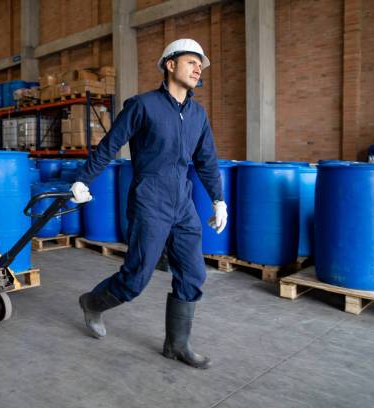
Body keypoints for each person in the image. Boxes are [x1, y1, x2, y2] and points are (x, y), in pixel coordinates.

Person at [71, 39, 228, 369]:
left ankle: (177, 344)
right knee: (136, 278)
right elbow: (110, 145)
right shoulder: (142, 106)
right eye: (191, 62)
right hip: (150, 202)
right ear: (170, 65)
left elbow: (207, 161)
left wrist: (218, 200)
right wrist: (83, 179)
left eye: (201, 64)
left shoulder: (198, 115)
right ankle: (92, 302)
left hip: (182, 205)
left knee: (192, 273)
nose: (199, 68)